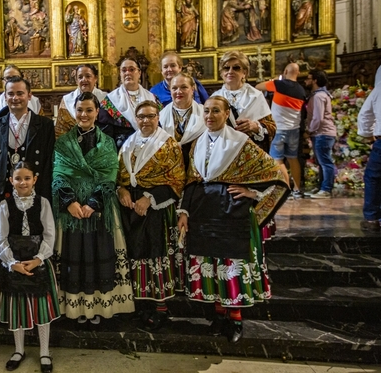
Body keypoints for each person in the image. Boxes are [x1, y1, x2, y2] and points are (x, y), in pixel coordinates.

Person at [177, 96, 290, 343]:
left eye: (215, 111)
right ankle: (218, 316)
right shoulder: (197, 143)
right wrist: (184, 211)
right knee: (212, 264)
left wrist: (253, 192)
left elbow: (275, 174)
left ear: (227, 112)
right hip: (203, 212)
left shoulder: (242, 143)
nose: (209, 116)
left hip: (232, 212)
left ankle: (235, 319)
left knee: (230, 266)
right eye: (206, 111)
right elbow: (191, 180)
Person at [53, 92, 135, 323]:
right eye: (80, 110)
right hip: (71, 209)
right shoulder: (63, 142)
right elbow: (58, 174)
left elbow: (109, 175)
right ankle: (76, 308)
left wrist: (93, 203)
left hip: (100, 209)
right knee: (74, 254)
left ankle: (99, 306)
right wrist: (69, 202)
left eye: (89, 110)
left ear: (97, 112)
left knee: (98, 253)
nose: (84, 114)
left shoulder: (107, 142)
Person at [117, 101, 186, 330]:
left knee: (156, 256)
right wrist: (122, 189)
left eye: (150, 116)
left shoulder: (168, 144)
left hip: (156, 207)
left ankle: (161, 309)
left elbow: (177, 179)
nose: (145, 120)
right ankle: (142, 305)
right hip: (132, 209)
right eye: (141, 116)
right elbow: (120, 175)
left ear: (158, 118)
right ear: (135, 119)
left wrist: (149, 198)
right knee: (137, 258)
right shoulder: (128, 143)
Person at [0, 161, 60, 373]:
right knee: (17, 309)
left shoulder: (43, 203)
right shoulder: (5, 206)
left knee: (41, 308)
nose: (22, 182)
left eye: (27, 178)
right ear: (11, 181)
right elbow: (0, 239)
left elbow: (50, 235)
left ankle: (44, 351)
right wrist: (12, 263)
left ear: (35, 180)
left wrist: (39, 258)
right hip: (14, 262)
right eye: (18, 178)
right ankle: (19, 350)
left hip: (37, 261)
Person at [0, 76, 55, 203]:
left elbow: (48, 163)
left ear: (29, 95)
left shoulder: (45, 125)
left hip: (35, 192)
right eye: (10, 94)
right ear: (5, 97)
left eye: (20, 93)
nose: (15, 98)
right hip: (4, 193)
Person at [255, 63, 306, 198]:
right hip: (294, 129)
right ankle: (297, 189)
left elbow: (258, 87)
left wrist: (273, 80)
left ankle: (286, 189)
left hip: (279, 129)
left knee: (278, 160)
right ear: (298, 73)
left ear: (285, 71)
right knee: (293, 159)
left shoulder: (279, 84)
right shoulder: (301, 90)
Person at [212, 51, 276, 152]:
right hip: (223, 151)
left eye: (236, 68)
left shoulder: (255, 96)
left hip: (250, 151)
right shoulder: (214, 98)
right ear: (221, 73)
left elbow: (272, 127)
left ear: (244, 72)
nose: (230, 71)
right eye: (226, 68)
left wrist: (255, 126)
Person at [99, 58, 161, 150]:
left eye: (132, 69)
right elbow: (106, 135)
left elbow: (160, 125)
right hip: (122, 149)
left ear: (139, 73)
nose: (127, 73)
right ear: (120, 74)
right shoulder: (109, 102)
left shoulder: (153, 98)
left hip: (151, 147)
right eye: (124, 70)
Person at [158, 73, 206, 169]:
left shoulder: (205, 114)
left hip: (198, 166)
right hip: (170, 167)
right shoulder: (160, 117)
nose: (178, 92)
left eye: (184, 87)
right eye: (174, 88)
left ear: (192, 89)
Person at [305, 69, 337, 199]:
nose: (306, 81)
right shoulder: (320, 94)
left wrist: (309, 130)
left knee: (325, 162)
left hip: (322, 133)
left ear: (315, 80)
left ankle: (326, 189)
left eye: (308, 78)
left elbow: (318, 118)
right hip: (321, 133)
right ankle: (322, 187)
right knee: (321, 162)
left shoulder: (318, 96)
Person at [357, 65, 381, 231]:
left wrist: (368, 136)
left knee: (374, 177)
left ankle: (372, 219)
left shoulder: (379, 89)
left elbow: (365, 114)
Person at [54, 64, 107, 138]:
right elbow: (60, 130)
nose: (84, 79)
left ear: (95, 78)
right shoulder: (67, 100)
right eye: (80, 77)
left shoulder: (105, 99)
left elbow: (109, 128)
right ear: (76, 80)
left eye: (88, 76)